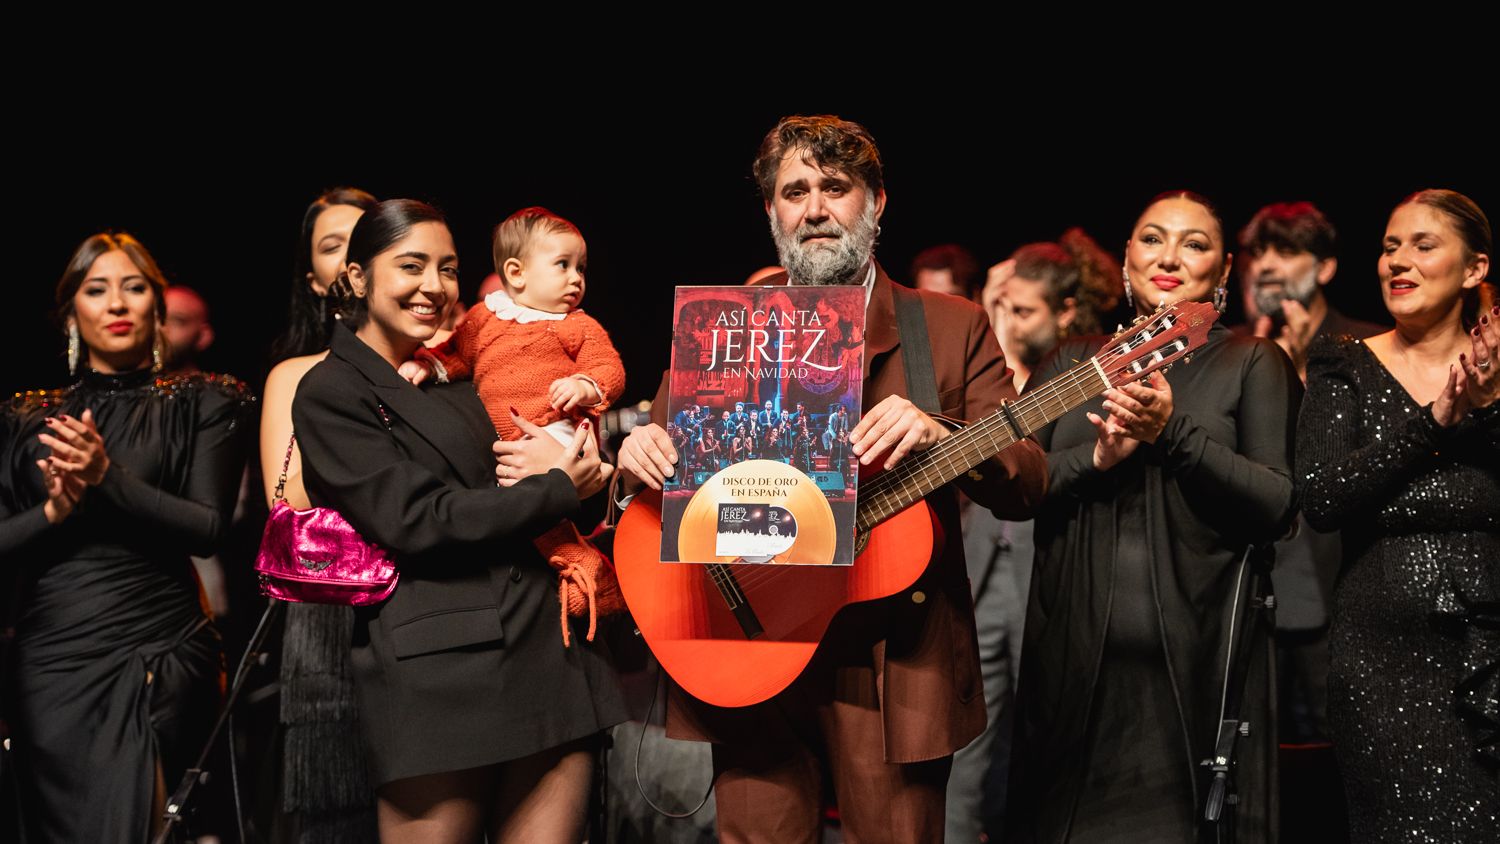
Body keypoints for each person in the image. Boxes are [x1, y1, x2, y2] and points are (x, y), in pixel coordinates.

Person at [606, 114, 1047, 843]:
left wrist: (945, 435)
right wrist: (636, 462)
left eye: (835, 188)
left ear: (876, 203)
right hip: (750, 640)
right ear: (772, 212)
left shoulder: (948, 325)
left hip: (889, 659)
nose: (815, 208)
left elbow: (1029, 481)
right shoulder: (726, 326)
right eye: (795, 190)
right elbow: (650, 479)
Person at [291, 199, 625, 843]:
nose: (434, 286)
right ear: (358, 278)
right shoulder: (332, 391)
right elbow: (415, 519)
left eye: (446, 268)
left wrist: (577, 467)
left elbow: (550, 475)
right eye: (411, 265)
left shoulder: (466, 369)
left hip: (548, 651)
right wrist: (557, 485)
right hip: (436, 676)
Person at [1009, 192, 1300, 843]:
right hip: (1070, 688)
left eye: (1193, 244)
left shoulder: (1249, 361)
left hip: (1190, 697)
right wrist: (1098, 458)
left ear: (1223, 271)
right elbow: (1020, 485)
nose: (1169, 256)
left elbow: (1278, 504)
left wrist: (1171, 434)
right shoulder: (1070, 363)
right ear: (1125, 259)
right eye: (1151, 238)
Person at [1, 232, 252, 841]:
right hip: (52, 658)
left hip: (159, 643)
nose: (116, 304)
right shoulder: (25, 415)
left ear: (157, 310)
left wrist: (105, 478)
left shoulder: (206, 398)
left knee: (150, 824)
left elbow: (210, 527)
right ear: (71, 313)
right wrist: (55, 513)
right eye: (97, 289)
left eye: (133, 288)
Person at [1296, 188, 1498, 842]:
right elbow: (1323, 497)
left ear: (1474, 269)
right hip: (1382, 665)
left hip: (1490, 646)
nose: (1397, 261)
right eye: (1389, 247)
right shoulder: (1343, 360)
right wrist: (1436, 422)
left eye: (1422, 245)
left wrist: (1489, 408)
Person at [947, 229, 1120, 842]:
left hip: (1050, 574)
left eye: (1023, 311)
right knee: (968, 743)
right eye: (1005, 309)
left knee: (1049, 740)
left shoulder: (1091, 366)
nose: (1009, 322)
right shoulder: (998, 367)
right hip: (982, 574)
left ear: (1065, 312)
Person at [403, 206, 627, 643]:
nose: (576, 278)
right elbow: (456, 353)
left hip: (556, 430)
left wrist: (584, 384)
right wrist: (428, 366)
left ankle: (590, 579)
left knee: (545, 498)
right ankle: (581, 567)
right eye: (563, 265)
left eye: (581, 267)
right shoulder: (485, 319)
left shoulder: (576, 325)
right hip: (502, 445)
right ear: (516, 272)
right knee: (521, 516)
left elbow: (610, 369)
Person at [1237, 201, 1387, 749]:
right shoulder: (1232, 348)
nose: (1269, 264)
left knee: (1338, 744)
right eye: (1260, 252)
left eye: (1288, 250)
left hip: (1333, 582)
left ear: (1324, 267)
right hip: (1250, 582)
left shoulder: (1368, 346)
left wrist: (1302, 378)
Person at [258, 186, 381, 843]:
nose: (351, 259)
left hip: (428, 626)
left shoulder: (444, 373)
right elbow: (294, 505)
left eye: (365, 240)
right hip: (329, 626)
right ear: (316, 279)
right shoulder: (297, 375)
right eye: (334, 247)